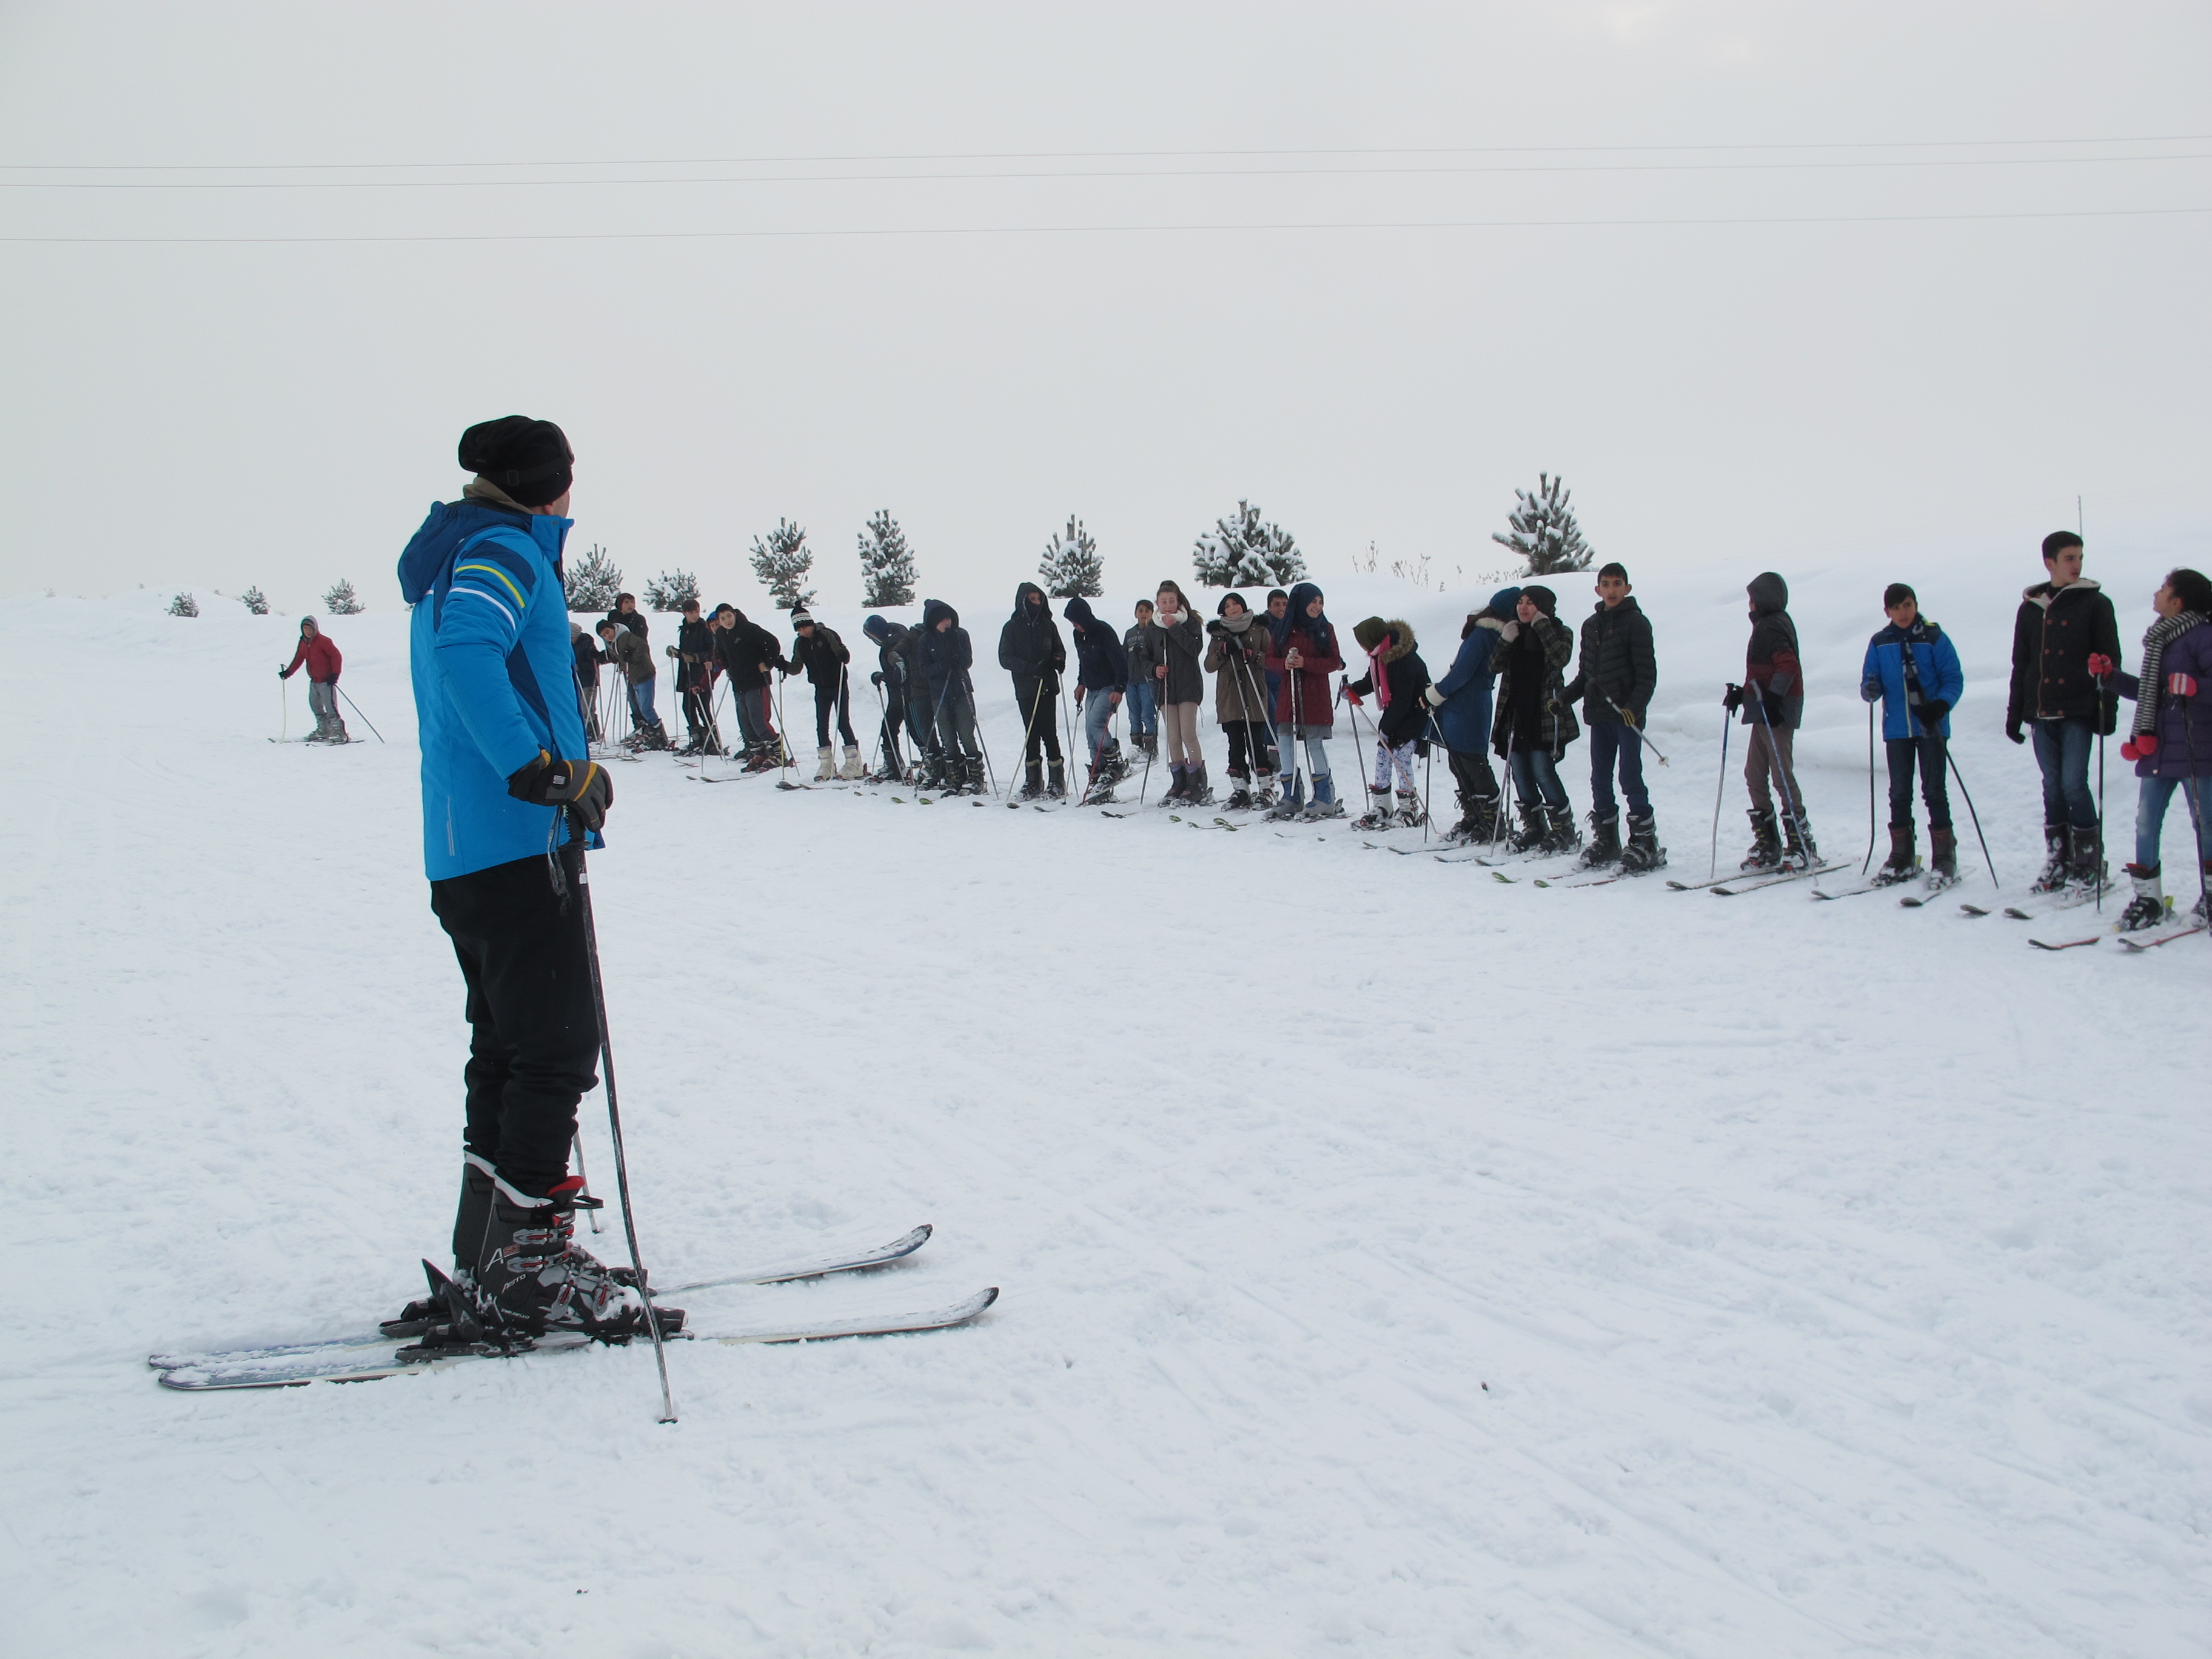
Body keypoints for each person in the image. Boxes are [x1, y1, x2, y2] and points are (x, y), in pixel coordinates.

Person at [392, 414, 668, 1344]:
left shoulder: (456, 550)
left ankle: (493, 1250)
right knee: (555, 1046)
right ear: (548, 483)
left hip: (468, 848)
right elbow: (467, 652)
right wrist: (544, 771)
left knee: (511, 1049)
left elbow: (463, 650)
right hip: (514, 840)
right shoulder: (504, 548)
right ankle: (525, 1268)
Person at [2007, 531, 2123, 892]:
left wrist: (2109, 709)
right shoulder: (2030, 608)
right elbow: (2022, 664)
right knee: (2052, 787)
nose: (2077, 564)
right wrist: (2015, 712)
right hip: (2042, 712)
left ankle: (2090, 861)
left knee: (2074, 784)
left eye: (2080, 557)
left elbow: (2110, 659)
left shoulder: (2096, 604)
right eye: (2070, 558)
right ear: (2050, 562)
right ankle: (2059, 858)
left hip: (2078, 709)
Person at [2108, 567, 2212, 930]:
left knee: (2207, 826)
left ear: (2177, 601)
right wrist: (2111, 678)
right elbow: (2152, 693)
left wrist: (2196, 687)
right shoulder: (2160, 641)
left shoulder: (2203, 637)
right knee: (2145, 824)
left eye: (2164, 588)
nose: (2157, 593)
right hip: (2157, 749)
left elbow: (2198, 687)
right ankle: (2148, 900)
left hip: (2197, 750)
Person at [1859, 583, 1966, 888]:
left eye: (1907, 605)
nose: (1903, 612)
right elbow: (1871, 677)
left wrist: (1941, 706)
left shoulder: (1934, 638)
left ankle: (1945, 856)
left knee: (1934, 790)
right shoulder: (1880, 642)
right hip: (1897, 728)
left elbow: (1953, 678)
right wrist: (1871, 689)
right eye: (1896, 608)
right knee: (1899, 792)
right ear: (1887, 612)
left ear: (1916, 604)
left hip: (1930, 726)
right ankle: (1901, 855)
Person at [1561, 562, 1661, 872]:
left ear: (1627, 588)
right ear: (1598, 590)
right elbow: (1586, 676)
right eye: (1606, 584)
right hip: (1599, 714)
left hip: (1626, 717)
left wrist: (1635, 706)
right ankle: (1607, 841)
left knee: (1630, 777)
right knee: (1599, 779)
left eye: (1618, 583)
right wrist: (1564, 698)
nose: (1612, 590)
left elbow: (1647, 675)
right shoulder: (1591, 626)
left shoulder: (1637, 623)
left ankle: (1646, 843)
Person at [1724, 571, 1814, 871]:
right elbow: (1764, 673)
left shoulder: (1772, 624)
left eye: (1753, 598)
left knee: (1780, 776)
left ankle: (1801, 844)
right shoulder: (1767, 625)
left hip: (1775, 712)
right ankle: (1769, 842)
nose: (1749, 604)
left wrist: (1775, 699)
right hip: (1764, 710)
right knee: (1754, 773)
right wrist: (1743, 694)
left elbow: (1788, 665)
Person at [1489, 585, 1580, 854]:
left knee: (1543, 770)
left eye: (1530, 603)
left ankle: (1564, 830)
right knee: (1520, 772)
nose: (1524, 607)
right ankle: (1535, 826)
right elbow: (1493, 667)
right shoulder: (1515, 632)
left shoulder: (1560, 632)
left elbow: (1559, 659)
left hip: (1543, 715)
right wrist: (1505, 640)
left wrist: (1543, 628)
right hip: (1515, 713)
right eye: (1520, 602)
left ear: (1543, 607)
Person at [1423, 591, 1517, 842]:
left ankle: (1490, 821)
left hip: (1466, 704)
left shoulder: (1484, 634)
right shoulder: (1491, 635)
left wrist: (1436, 693)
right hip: (1471, 703)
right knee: (1465, 761)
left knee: (1470, 762)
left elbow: (1462, 672)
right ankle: (1478, 816)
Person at [1265, 581, 1346, 819]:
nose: (1317, 607)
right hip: (1288, 694)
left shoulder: (1324, 628)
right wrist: (1285, 664)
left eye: (1320, 602)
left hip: (1315, 694)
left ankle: (1324, 796)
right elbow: (1269, 659)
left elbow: (1335, 661)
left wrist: (1306, 663)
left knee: (1314, 742)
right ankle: (1291, 796)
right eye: (1313, 602)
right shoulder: (1284, 628)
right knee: (1286, 742)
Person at [1346, 615, 1432, 829]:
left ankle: (1409, 809)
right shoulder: (1380, 656)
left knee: (1402, 758)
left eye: (1362, 641)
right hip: (1397, 714)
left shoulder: (1403, 659)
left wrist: (1389, 728)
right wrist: (1353, 689)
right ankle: (1382, 807)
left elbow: (1403, 698)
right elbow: (1371, 681)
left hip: (1414, 715)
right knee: (1383, 756)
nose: (1361, 646)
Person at [1204, 592, 1278, 809]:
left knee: (1257, 743)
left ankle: (1265, 789)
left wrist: (1253, 656)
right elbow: (1209, 666)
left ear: (1243, 607)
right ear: (1223, 611)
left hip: (1253, 693)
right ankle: (1241, 790)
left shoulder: (1259, 629)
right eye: (1227, 605)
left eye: (1236, 603)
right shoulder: (1218, 635)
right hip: (1229, 696)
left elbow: (1271, 660)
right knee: (1235, 745)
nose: (1232, 607)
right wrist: (1222, 653)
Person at [999, 581, 1069, 799]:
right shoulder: (1011, 628)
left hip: (1047, 685)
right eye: (1032, 599)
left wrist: (1057, 660)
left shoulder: (1049, 625)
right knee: (1031, 734)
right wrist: (1030, 669)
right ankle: (1033, 781)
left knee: (1049, 732)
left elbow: (1060, 649)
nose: (1037, 603)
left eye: (1039, 599)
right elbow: (1005, 658)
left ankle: (1057, 780)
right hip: (1026, 688)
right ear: (1023, 601)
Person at [783, 606, 862, 781]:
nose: (802, 632)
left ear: (810, 623)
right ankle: (826, 764)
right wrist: (782, 665)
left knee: (842, 722)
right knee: (821, 726)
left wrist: (843, 654)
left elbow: (843, 656)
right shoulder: (800, 643)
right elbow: (797, 668)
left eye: (804, 627)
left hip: (838, 684)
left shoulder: (826, 635)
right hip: (820, 687)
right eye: (798, 629)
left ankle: (854, 762)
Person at [1062, 595, 1130, 800]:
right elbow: (1084, 661)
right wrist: (1081, 683)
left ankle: (1115, 764)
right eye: (1072, 623)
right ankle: (1100, 779)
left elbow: (1120, 661)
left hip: (1109, 687)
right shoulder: (1078, 635)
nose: (1075, 625)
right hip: (1091, 688)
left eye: (1076, 621)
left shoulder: (1104, 631)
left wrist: (1119, 688)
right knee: (1091, 736)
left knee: (1095, 724)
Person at [1150, 580, 1210, 803]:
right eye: (1163, 602)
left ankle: (1197, 782)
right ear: (1158, 603)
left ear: (1179, 601)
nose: (1167, 606)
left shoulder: (1190, 623)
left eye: (1171, 601)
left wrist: (1174, 627)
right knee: (1173, 737)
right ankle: (1180, 781)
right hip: (1166, 689)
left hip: (1188, 686)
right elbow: (1144, 657)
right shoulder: (1153, 627)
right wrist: (1154, 669)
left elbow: (1194, 649)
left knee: (1188, 734)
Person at [919, 598, 985, 793]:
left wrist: (956, 655)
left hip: (961, 690)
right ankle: (955, 774)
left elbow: (967, 661)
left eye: (948, 618)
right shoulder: (926, 640)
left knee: (966, 734)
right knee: (947, 737)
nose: (946, 623)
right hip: (940, 693)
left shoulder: (961, 635)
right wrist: (942, 665)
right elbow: (923, 670)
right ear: (933, 622)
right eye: (941, 620)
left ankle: (976, 776)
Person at [709, 604, 784, 770]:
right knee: (745, 722)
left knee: (758, 720)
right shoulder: (721, 634)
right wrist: (727, 668)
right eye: (723, 619)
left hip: (756, 681)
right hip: (739, 683)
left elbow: (773, 643)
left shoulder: (749, 629)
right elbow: (721, 653)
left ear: (734, 614)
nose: (727, 621)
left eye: (729, 616)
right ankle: (759, 753)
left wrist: (768, 663)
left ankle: (779, 755)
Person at [860, 614, 919, 782]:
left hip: (904, 693)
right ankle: (895, 764)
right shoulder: (896, 634)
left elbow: (901, 673)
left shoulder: (893, 643)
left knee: (911, 729)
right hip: (900, 693)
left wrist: (882, 676)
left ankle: (932, 764)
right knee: (891, 727)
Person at [598, 618, 668, 749]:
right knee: (642, 708)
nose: (608, 636)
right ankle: (652, 734)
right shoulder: (613, 643)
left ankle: (660, 737)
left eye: (608, 632)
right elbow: (619, 657)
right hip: (634, 677)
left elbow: (642, 645)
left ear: (613, 628)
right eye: (604, 636)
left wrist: (634, 658)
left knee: (646, 708)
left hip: (644, 674)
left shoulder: (625, 636)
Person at [279, 615, 349, 743]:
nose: (307, 631)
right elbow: (299, 659)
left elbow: (336, 656)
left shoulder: (324, 641)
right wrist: (288, 672)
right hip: (314, 681)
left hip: (326, 681)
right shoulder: (303, 643)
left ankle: (339, 732)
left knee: (330, 707)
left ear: (315, 628)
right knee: (315, 705)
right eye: (305, 628)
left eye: (310, 628)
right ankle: (324, 729)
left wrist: (335, 674)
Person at [669, 598, 719, 756]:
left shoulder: (705, 629)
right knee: (688, 707)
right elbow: (685, 653)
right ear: (685, 613)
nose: (694, 615)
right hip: (687, 674)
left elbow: (711, 651)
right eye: (691, 612)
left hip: (702, 673)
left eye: (696, 611)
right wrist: (677, 653)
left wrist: (696, 658)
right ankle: (697, 738)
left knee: (703, 707)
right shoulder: (684, 630)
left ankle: (713, 739)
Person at [1123, 599, 1162, 759]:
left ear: (1152, 613)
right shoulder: (1130, 633)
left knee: (1147, 714)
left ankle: (1151, 748)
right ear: (1135, 613)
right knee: (1134, 715)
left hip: (1147, 680)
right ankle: (1136, 747)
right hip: (1130, 680)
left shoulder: (1153, 631)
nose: (1143, 614)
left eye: (1147, 611)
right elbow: (1124, 653)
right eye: (1140, 610)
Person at [569, 620, 603, 744]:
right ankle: (586, 731)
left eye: (572, 637)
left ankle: (592, 732)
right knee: (580, 707)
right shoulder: (572, 645)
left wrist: (580, 667)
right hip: (579, 681)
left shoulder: (586, 643)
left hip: (589, 680)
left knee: (588, 708)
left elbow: (592, 663)